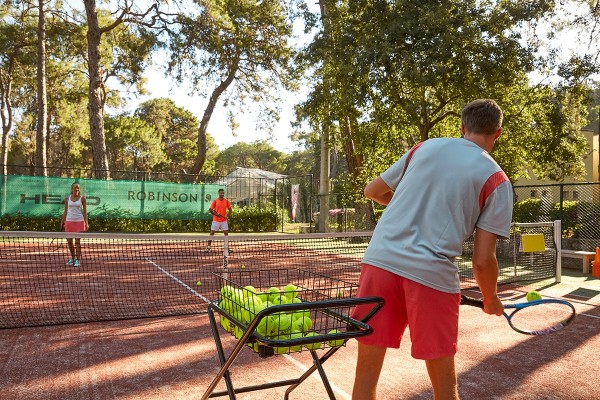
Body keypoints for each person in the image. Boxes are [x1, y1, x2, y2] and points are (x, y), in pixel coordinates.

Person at [351, 99, 512, 400]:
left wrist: (406, 203)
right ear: (497, 133)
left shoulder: (423, 148)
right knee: (444, 386)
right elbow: (482, 260)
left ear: (463, 127)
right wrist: (490, 298)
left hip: (379, 261)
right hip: (431, 275)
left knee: (366, 376)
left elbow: (372, 191)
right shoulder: (497, 180)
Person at [60, 182, 89, 267]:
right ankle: (72, 259)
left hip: (79, 221)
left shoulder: (82, 198)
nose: (76, 189)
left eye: (78, 188)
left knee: (77, 242)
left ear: (79, 189)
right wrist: (62, 221)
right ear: (72, 189)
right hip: (69, 222)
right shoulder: (67, 198)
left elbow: (85, 212)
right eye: (74, 188)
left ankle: (78, 260)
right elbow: (65, 211)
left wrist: (86, 222)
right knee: (69, 242)